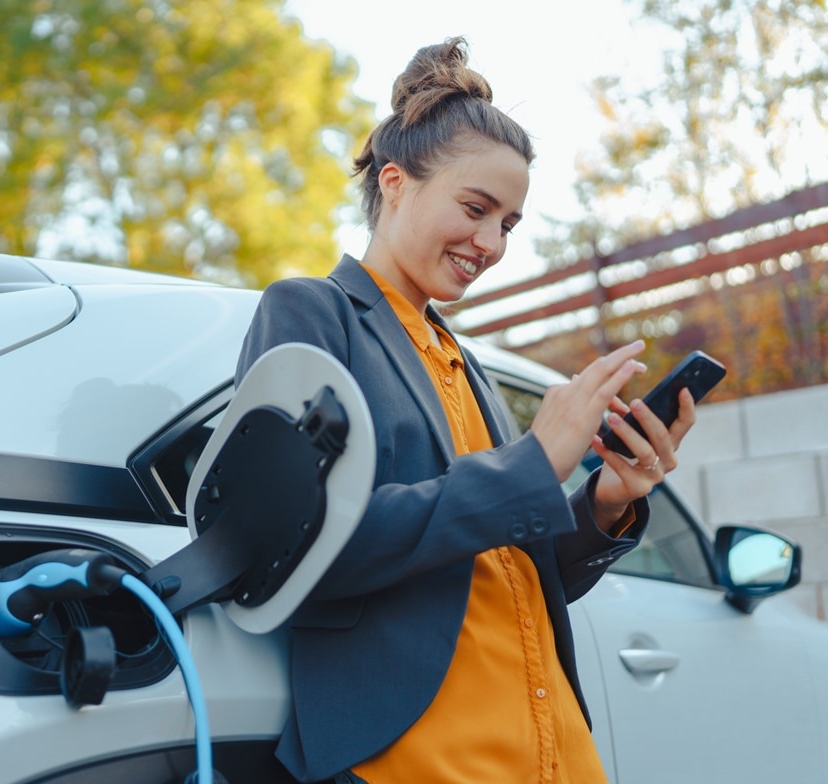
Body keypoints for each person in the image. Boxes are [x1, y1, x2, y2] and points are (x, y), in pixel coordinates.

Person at [235, 37, 697, 784]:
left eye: (509, 224)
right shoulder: (311, 312)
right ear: (395, 183)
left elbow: (513, 571)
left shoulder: (464, 361)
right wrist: (532, 465)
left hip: (553, 750)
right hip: (420, 758)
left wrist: (607, 502)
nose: (490, 244)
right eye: (476, 209)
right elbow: (298, 546)